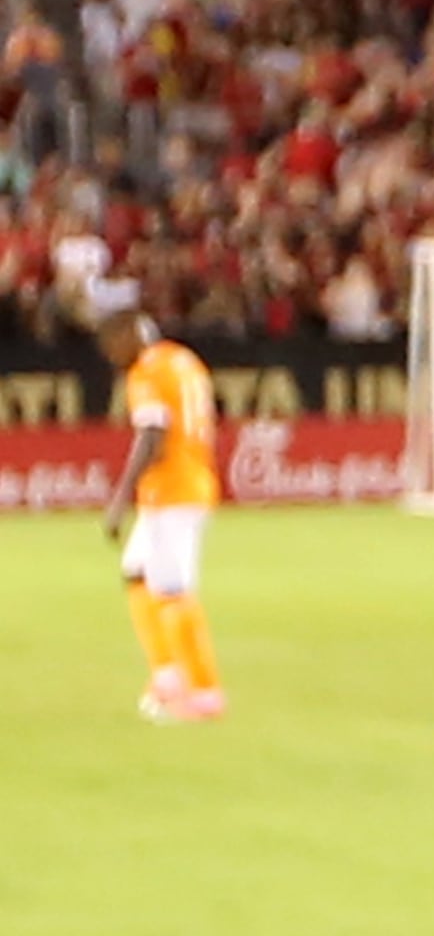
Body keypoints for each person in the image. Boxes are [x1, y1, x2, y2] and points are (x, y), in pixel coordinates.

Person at [98, 306, 224, 724]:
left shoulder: (147, 372)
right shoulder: (183, 360)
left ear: (132, 334)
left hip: (174, 492)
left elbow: (154, 435)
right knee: (136, 572)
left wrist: (120, 497)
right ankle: (167, 675)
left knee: (172, 591)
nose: (109, 353)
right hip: (183, 485)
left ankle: (204, 693)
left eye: (112, 342)